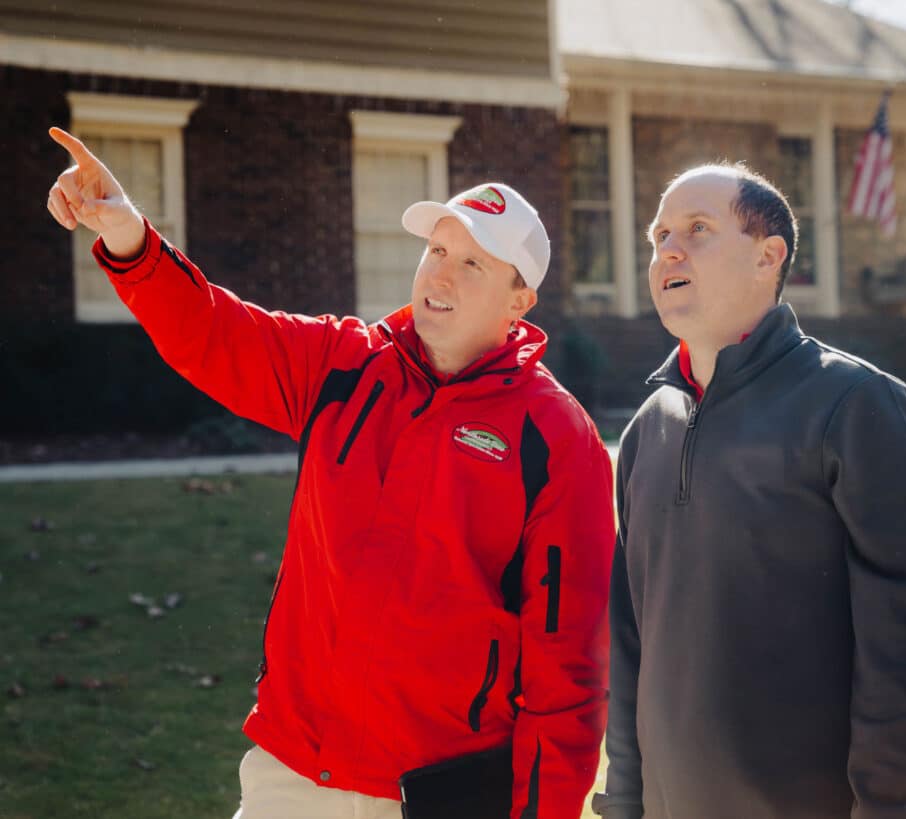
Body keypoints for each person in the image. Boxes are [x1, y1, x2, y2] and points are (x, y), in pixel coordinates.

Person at [46, 127, 615, 819]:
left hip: (433, 791)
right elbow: (214, 331)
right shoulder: (343, 364)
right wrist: (128, 234)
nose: (439, 276)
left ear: (519, 301)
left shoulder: (557, 438)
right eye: (437, 250)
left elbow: (568, 666)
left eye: (473, 263)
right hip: (291, 770)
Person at [592, 163, 906, 819]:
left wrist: (885, 808)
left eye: (697, 230)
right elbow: (630, 637)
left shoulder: (859, 405)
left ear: (768, 257)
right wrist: (624, 798)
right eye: (659, 236)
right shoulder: (649, 427)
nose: (668, 250)